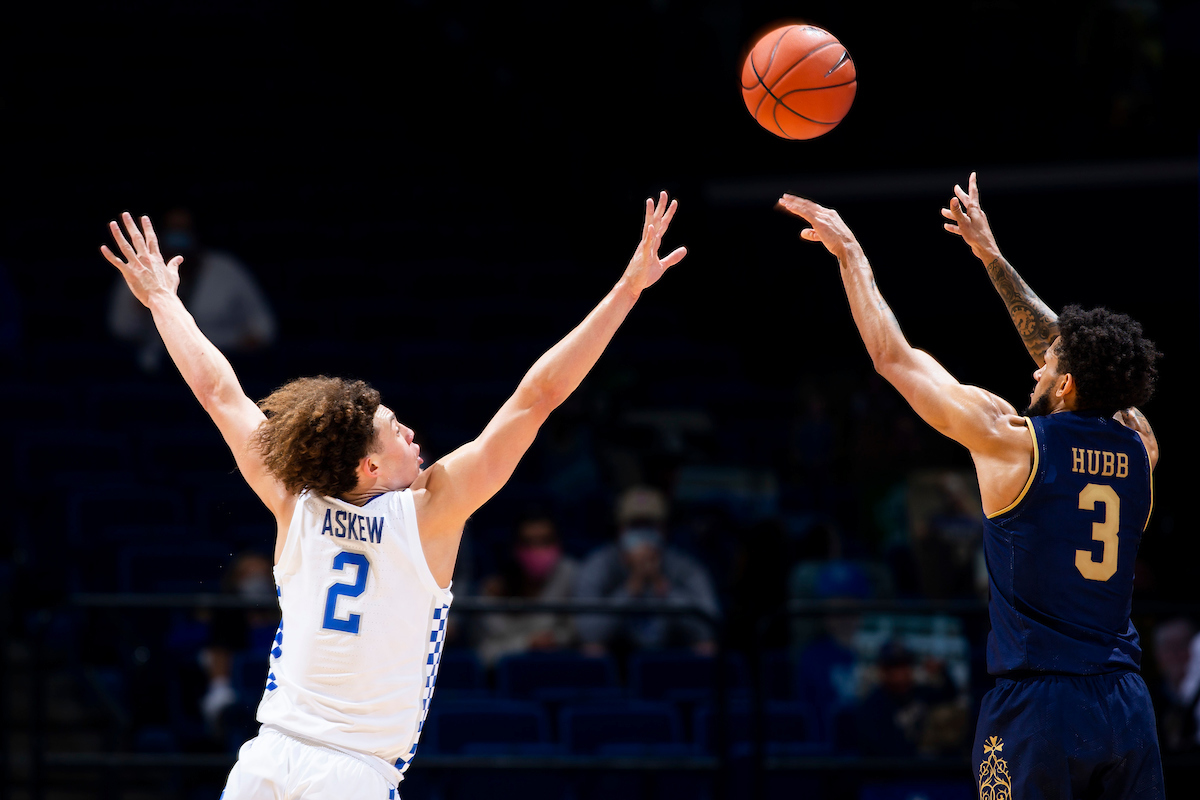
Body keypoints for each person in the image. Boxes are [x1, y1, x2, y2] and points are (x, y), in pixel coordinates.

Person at [100, 193, 686, 798]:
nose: (411, 433)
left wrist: (164, 301)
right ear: (370, 464)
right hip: (353, 773)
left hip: (266, 762)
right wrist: (627, 291)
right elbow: (537, 397)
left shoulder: (292, 499)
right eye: (395, 427)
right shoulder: (432, 511)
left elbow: (219, 392)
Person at [779, 172, 1164, 800]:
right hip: (1126, 704)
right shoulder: (1140, 445)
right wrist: (991, 257)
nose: (1036, 362)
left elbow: (894, 358)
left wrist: (851, 253)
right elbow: (1081, 362)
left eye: (1048, 365)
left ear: (1065, 383)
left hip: (1040, 704)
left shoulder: (1011, 440)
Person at [107, 208, 276, 372]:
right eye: (173, 232)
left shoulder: (227, 270)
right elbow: (121, 329)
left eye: (184, 232)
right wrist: (146, 300)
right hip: (160, 370)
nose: (179, 240)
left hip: (224, 366)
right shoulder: (140, 271)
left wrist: (236, 352)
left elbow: (263, 328)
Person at [574, 486, 719, 656]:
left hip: (672, 654)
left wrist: (664, 589)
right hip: (619, 656)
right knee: (592, 649)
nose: (642, 534)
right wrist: (630, 589)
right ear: (620, 530)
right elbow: (588, 632)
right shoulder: (599, 563)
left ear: (663, 530)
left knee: (708, 647)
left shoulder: (684, 566)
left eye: (649, 525)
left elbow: (710, 626)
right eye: (635, 526)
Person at [474, 512, 578, 667]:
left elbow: (580, 633)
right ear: (515, 548)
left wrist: (555, 639)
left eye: (545, 541)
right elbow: (486, 654)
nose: (537, 550)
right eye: (528, 542)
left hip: (561, 670)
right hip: (508, 675)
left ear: (558, 544)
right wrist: (528, 643)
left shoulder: (571, 574)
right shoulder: (493, 590)